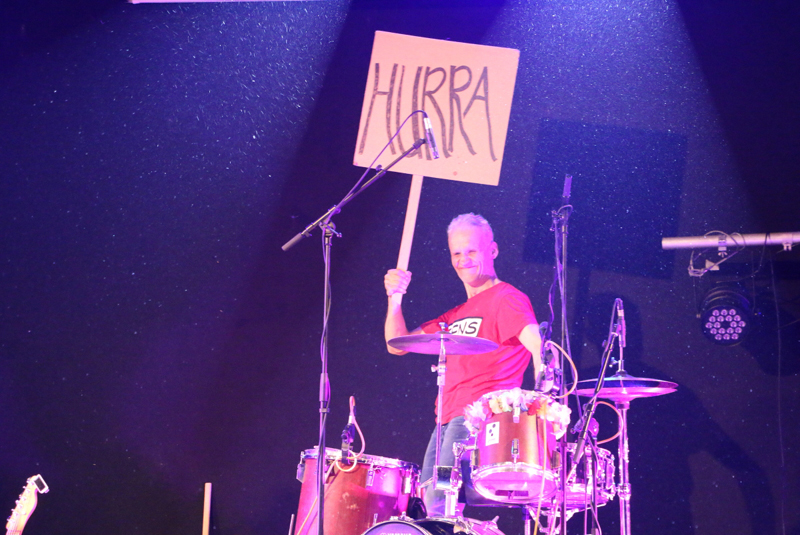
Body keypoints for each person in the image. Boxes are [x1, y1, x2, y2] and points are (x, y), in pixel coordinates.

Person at [383, 213, 542, 516]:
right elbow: (396, 344)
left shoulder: (506, 298)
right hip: (445, 419)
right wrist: (395, 299)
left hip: (478, 417)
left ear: (492, 250)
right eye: (456, 253)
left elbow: (539, 347)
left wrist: (541, 405)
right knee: (431, 504)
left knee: (439, 504)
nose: (463, 260)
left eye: (471, 251)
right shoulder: (455, 315)